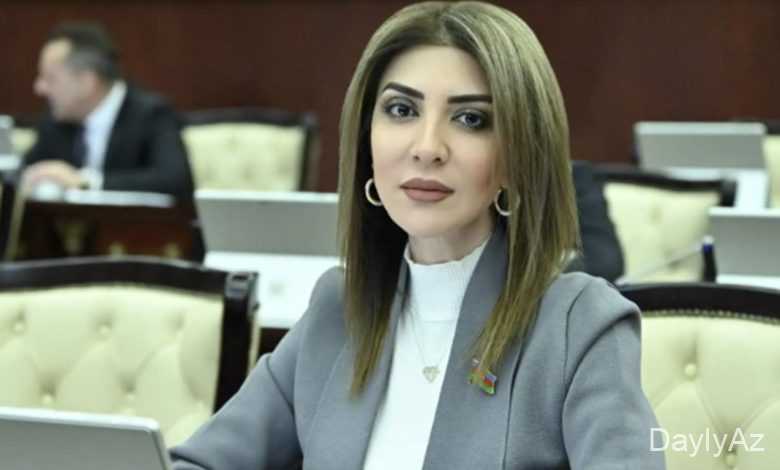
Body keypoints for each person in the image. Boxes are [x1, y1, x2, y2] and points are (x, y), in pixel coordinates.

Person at [171, 2, 664, 469]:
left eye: (470, 119)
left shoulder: (578, 325)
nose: (427, 148)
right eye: (402, 110)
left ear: (518, 156)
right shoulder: (338, 308)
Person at [21, 22, 193, 197]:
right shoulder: (56, 121)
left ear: (86, 82)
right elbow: (23, 171)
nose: (39, 88)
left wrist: (85, 182)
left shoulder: (152, 114)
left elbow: (175, 181)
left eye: (50, 78)